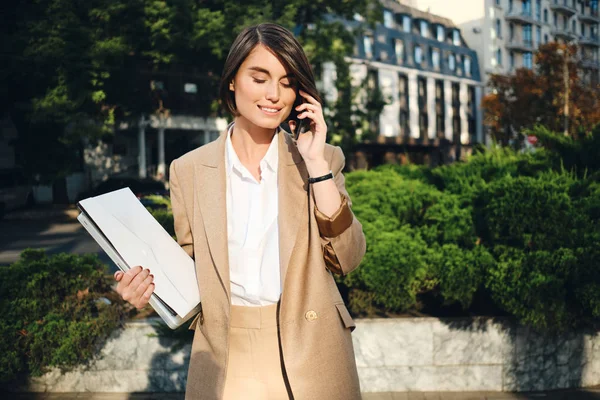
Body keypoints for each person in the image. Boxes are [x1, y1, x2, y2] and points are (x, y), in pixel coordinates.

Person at [113, 22, 366, 400]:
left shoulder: (321, 159)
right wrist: (143, 291)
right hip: (224, 354)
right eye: (260, 78)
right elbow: (190, 268)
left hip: (310, 348)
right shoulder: (190, 170)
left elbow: (347, 258)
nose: (274, 94)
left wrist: (315, 165)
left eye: (286, 81)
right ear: (232, 80)